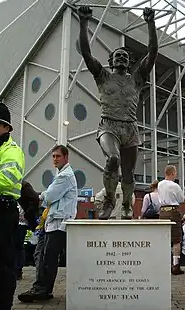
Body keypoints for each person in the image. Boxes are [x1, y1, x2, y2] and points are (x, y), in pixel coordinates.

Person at [76, 5, 158, 220]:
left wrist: (150, 24)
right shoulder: (102, 76)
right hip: (109, 125)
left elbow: (153, 53)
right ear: (111, 62)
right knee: (113, 159)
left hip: (130, 127)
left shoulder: (137, 78)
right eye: (117, 56)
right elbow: (86, 52)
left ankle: (127, 206)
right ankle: (110, 200)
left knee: (129, 173)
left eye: (124, 56)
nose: (121, 57)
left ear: (130, 62)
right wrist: (84, 22)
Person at [18, 145, 78, 302]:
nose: (55, 159)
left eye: (58, 156)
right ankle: (40, 287)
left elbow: (50, 196)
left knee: (48, 257)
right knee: (42, 255)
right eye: (53, 156)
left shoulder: (64, 176)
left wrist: (39, 195)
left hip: (59, 222)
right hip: (53, 222)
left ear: (66, 157)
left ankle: (42, 289)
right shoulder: (62, 175)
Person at [0, 101, 25, 310]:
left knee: (2, 265)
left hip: (2, 212)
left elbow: (7, 178)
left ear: (8, 128)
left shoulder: (12, 151)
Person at [158, 165, 185, 275]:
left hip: (162, 212)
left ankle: (165, 264)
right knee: (176, 240)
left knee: (164, 239)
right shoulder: (175, 185)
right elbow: (182, 199)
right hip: (173, 211)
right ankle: (175, 265)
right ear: (173, 173)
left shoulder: (159, 184)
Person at [15, 181, 39, 279]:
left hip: (21, 222)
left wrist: (27, 213)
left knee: (17, 245)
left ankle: (17, 270)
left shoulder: (24, 185)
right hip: (11, 220)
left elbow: (35, 199)